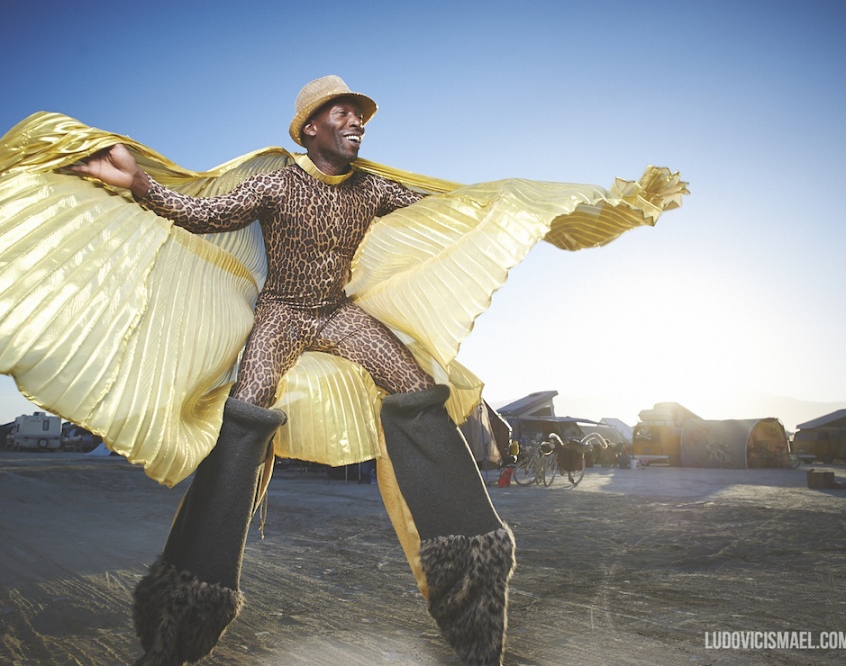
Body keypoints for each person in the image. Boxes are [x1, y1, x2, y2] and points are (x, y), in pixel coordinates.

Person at [72, 75, 515, 666]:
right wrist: (140, 182)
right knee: (244, 416)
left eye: (361, 116)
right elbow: (204, 215)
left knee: (417, 389)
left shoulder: (373, 190)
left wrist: (522, 207)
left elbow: (442, 214)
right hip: (280, 315)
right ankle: (186, 602)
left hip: (339, 315)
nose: (358, 123)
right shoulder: (278, 183)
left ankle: (470, 572)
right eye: (344, 114)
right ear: (311, 128)